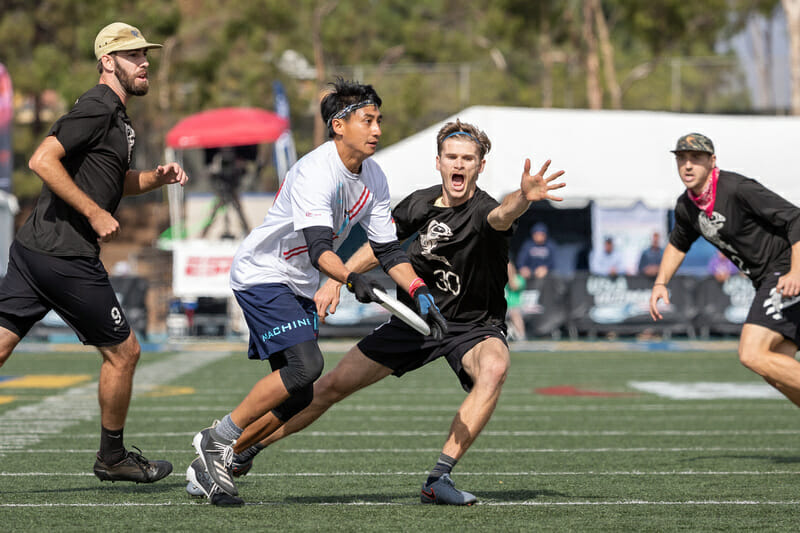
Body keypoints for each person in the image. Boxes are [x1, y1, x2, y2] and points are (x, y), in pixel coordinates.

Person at [200, 120, 567, 505]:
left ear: (481, 165)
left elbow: (503, 215)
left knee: (494, 368)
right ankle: (232, 452)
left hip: (473, 327)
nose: (459, 165)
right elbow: (381, 245)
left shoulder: (484, 210)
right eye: (452, 157)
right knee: (325, 389)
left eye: (468, 159)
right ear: (439, 162)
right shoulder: (418, 203)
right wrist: (336, 280)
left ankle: (438, 479)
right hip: (414, 321)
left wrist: (523, 197)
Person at [186, 79, 447, 506]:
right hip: (263, 273)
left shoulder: (375, 177)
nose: (377, 128)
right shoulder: (314, 171)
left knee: (301, 392)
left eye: (380, 120)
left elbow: (385, 249)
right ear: (338, 126)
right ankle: (216, 441)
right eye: (368, 120)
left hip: (298, 283)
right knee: (307, 366)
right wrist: (350, 280)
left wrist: (418, 291)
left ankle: (211, 463)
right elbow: (320, 248)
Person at [0, 22, 187, 484]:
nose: (144, 63)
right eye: (133, 56)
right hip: (65, 254)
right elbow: (42, 159)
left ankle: (113, 457)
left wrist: (154, 179)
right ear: (108, 62)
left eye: (145, 55)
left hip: (34, 247)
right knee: (125, 354)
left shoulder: (118, 118)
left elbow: (112, 180)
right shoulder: (99, 105)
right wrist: (93, 214)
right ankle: (113, 457)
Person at [650, 132, 800, 415]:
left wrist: (796, 271)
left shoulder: (736, 188)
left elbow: (796, 218)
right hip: (767, 279)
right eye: (682, 159)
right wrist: (661, 283)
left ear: (712, 161)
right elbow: (677, 243)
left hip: (785, 270)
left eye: (696, 158)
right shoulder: (687, 206)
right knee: (776, 371)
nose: (688, 165)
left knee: (752, 353)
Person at [505, 262, 526, 340]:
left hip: (516, 307)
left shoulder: (519, 279)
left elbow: (514, 286)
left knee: (514, 313)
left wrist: (510, 275)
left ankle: (521, 336)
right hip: (502, 307)